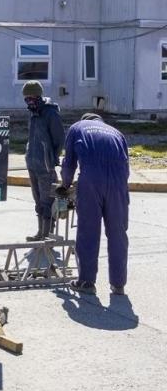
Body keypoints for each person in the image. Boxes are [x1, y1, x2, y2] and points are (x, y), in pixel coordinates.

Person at [59, 113, 130, 295]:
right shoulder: (117, 133)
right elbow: (126, 166)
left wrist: (65, 185)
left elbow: (69, 163)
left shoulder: (77, 127)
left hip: (91, 180)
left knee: (88, 231)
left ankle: (86, 282)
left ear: (85, 120)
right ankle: (118, 284)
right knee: (117, 232)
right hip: (118, 183)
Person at [22, 80, 65, 241]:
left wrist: (51, 157)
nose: (28, 100)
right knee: (38, 199)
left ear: (38, 95)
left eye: (31, 96)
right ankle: (40, 232)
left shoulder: (50, 113)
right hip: (32, 163)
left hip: (46, 166)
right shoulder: (32, 113)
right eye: (26, 97)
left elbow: (59, 138)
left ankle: (47, 234)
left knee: (47, 200)